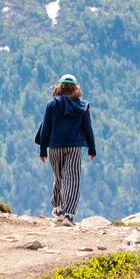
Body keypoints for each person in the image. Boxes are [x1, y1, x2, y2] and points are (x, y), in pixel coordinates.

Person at [35, 73, 97, 224]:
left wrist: (43, 150)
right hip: (74, 147)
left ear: (59, 87)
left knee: (60, 178)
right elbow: (87, 128)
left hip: (54, 147)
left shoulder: (52, 105)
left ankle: (59, 207)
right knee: (72, 179)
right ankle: (67, 213)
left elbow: (45, 128)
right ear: (75, 88)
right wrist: (91, 148)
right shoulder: (82, 106)